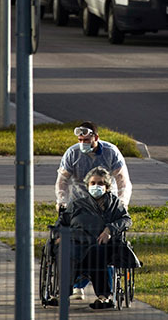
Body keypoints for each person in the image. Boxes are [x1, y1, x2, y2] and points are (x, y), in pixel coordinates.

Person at [55, 121, 132, 299]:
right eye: (80, 140)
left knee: (100, 248)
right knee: (75, 244)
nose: (83, 143)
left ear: (95, 138)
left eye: (86, 140)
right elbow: (62, 180)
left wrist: (121, 203)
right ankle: (73, 287)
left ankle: (104, 294)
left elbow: (122, 180)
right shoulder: (72, 153)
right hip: (79, 202)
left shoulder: (111, 153)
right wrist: (62, 201)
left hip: (106, 204)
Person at [56, 166, 134, 310]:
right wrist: (59, 235)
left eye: (100, 183)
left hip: (100, 245)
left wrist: (109, 229)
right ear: (87, 185)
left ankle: (104, 297)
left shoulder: (114, 204)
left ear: (107, 186)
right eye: (93, 183)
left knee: (97, 252)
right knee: (66, 250)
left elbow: (126, 220)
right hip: (77, 242)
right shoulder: (77, 204)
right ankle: (63, 293)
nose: (96, 186)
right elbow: (62, 222)